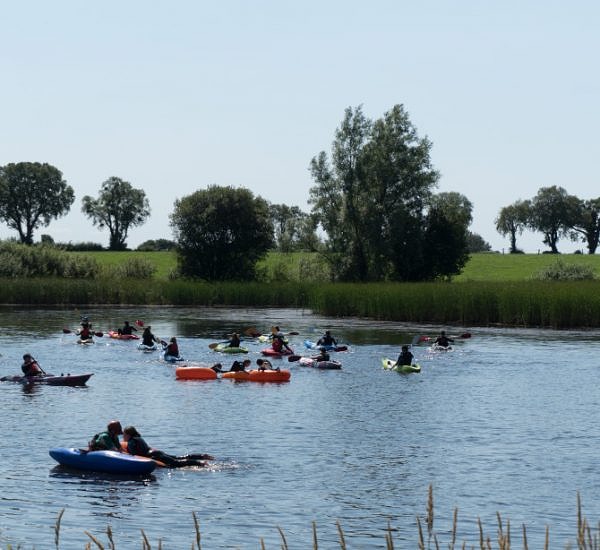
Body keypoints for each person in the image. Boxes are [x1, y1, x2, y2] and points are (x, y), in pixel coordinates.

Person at [122, 426, 213, 467]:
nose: (123, 436)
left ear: (128, 434)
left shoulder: (131, 442)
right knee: (177, 458)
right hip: (156, 453)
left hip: (153, 456)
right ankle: (201, 456)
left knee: (176, 463)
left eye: (124, 434)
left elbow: (134, 455)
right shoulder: (138, 438)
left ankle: (200, 463)